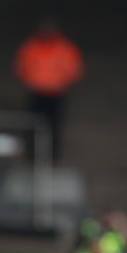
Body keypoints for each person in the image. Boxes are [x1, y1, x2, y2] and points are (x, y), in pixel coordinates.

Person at [13, 19, 84, 161]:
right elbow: (21, 67)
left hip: (56, 94)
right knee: (33, 125)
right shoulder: (30, 47)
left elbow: (75, 70)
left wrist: (61, 81)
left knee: (54, 127)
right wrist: (31, 80)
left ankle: (52, 157)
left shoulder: (65, 48)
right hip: (37, 93)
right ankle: (32, 156)